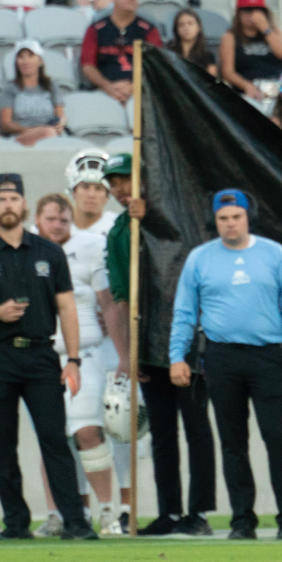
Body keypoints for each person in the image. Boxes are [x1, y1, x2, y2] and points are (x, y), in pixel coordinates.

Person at [0, 173, 96, 541]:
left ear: (24, 204)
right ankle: (15, 522)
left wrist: (73, 359)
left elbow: (67, 307)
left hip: (41, 355)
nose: (8, 205)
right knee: (3, 441)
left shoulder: (49, 253)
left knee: (55, 439)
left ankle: (75, 521)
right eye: (1, 200)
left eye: (14, 199)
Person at [171, 189, 282, 541]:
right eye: (223, 218)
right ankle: (242, 520)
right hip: (221, 357)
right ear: (214, 222)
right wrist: (177, 356)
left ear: (248, 217)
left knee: (277, 436)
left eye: (236, 217)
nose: (230, 224)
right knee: (233, 442)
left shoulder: (273, 254)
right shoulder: (200, 259)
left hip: (266, 356)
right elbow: (185, 313)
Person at [101, 152, 217, 535]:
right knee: (163, 435)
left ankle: (197, 513)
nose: (120, 188)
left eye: (125, 179)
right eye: (114, 183)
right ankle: (169, 511)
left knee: (197, 428)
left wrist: (148, 217)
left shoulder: (174, 217)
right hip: (148, 345)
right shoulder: (119, 232)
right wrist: (130, 353)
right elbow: (121, 295)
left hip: (187, 344)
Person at [28, 192, 120, 536]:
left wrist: (123, 355)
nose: (57, 226)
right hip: (42, 354)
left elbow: (108, 304)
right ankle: (56, 514)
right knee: (51, 437)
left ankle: (108, 510)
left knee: (86, 430)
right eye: (51, 219)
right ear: (37, 220)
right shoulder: (26, 251)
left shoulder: (91, 247)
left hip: (87, 351)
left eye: (64, 220)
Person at [63, 148, 133, 528]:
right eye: (84, 187)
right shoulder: (58, 229)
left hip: (112, 341)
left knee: (122, 426)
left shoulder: (118, 226)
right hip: (71, 346)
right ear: (73, 189)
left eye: (98, 188)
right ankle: (76, 509)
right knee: (75, 429)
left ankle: (124, 508)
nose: (91, 194)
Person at [80, 0, 163, 105]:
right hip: (103, 92)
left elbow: (156, 66)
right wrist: (107, 87)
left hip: (141, 92)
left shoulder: (149, 30)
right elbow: (87, 65)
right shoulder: (96, 29)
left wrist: (133, 87)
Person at [220, 0, 282, 100]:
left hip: (274, 86)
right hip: (247, 89)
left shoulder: (274, 33)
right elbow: (228, 72)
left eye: (256, 10)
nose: (251, 15)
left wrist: (265, 28)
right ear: (239, 13)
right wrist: (246, 85)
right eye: (247, 10)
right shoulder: (230, 37)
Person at [0, 39, 65, 145]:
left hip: (51, 133)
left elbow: (60, 115)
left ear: (40, 61)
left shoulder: (50, 86)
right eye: (21, 56)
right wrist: (31, 130)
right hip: (21, 136)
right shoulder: (10, 89)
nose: (25, 61)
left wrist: (61, 123)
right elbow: (5, 124)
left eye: (30, 55)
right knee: (48, 133)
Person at [167, 8, 216, 76]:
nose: (186, 28)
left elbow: (211, 80)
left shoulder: (207, 56)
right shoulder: (169, 52)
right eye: (181, 25)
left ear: (199, 27)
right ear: (176, 29)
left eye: (190, 23)